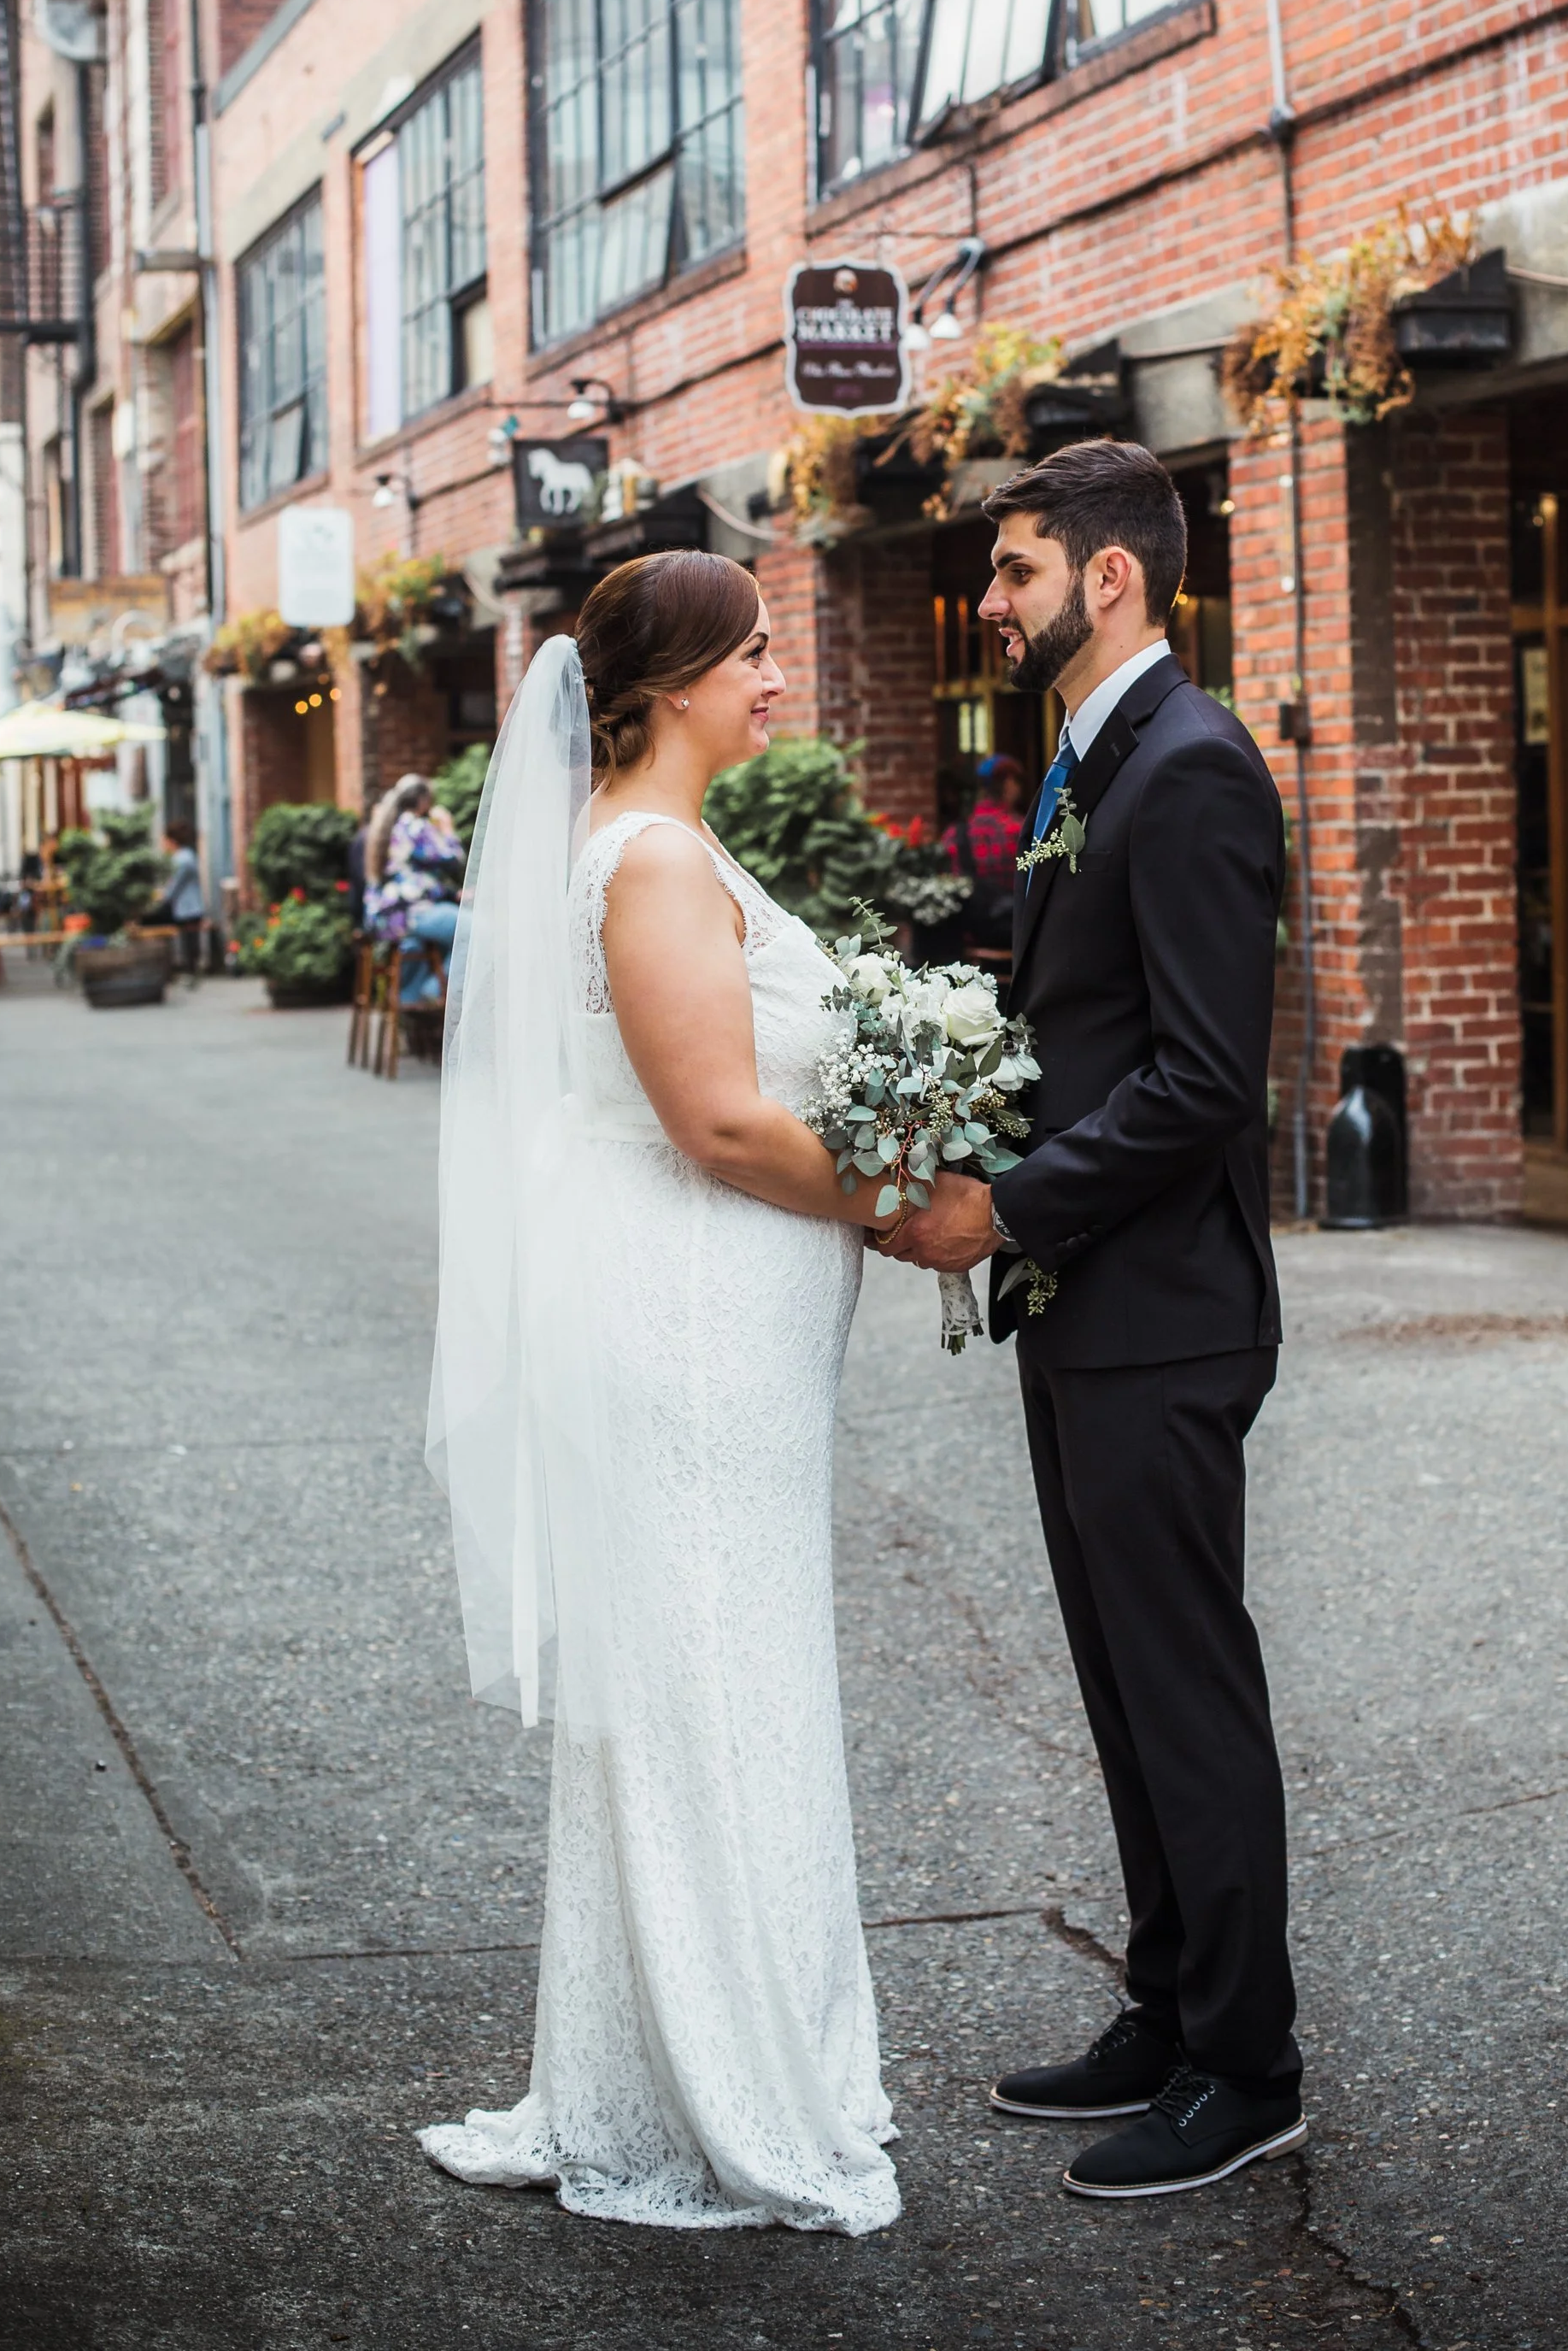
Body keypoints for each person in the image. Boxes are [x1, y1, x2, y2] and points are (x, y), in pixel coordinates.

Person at [418, 551, 901, 2234]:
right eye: (754, 650)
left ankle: (689, 2057)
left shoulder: (667, 846)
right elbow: (713, 1118)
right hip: (689, 1316)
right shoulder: (647, 862)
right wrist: (909, 1209)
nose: (778, 673)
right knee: (713, 1673)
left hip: (724, 1314)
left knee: (721, 1670)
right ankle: (725, 2083)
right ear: (678, 678)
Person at [890, 439, 1301, 2202]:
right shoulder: (1082, 755)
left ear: (1107, 576)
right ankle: (1163, 2004)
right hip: (1084, 1310)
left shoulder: (1193, 768)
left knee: (1184, 1691)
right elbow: (1086, 1022)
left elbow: (1206, 1080)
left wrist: (1005, 1201)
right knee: (1121, 1692)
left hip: (1164, 1314)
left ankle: (1247, 2060)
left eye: (1012, 569)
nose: (985, 600)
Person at [364, 774, 463, 1005]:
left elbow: (414, 878)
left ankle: (408, 1003)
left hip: (389, 917)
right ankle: (434, 990)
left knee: (421, 946)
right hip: (410, 915)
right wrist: (447, 828)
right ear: (422, 800)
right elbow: (453, 860)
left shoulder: (392, 825)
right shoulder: (415, 826)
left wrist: (449, 893)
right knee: (477, 933)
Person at [937, 754, 1025, 953]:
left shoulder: (955, 834)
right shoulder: (1020, 830)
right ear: (1008, 784)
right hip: (1019, 936)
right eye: (1017, 781)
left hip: (972, 941)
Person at [155, 821, 206, 979]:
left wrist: (161, 897)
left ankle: (190, 971)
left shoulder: (182, 860)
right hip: (187, 905)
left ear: (172, 841)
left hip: (188, 906)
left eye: (165, 840)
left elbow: (173, 886)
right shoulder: (184, 857)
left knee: (189, 939)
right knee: (188, 939)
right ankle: (189, 970)